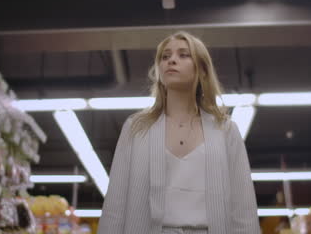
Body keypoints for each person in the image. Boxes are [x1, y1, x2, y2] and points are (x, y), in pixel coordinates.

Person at [97, 31, 260, 234]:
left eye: (183, 55)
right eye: (165, 57)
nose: (171, 60)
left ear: (201, 70)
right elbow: (115, 204)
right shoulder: (136, 128)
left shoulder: (225, 130)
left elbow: (243, 208)